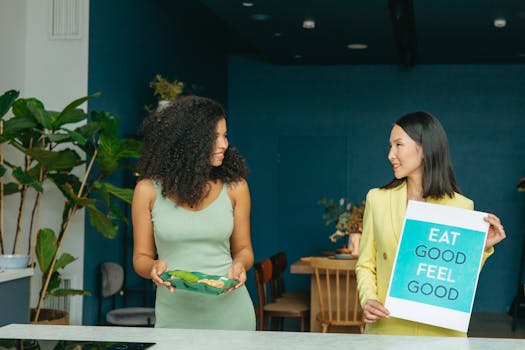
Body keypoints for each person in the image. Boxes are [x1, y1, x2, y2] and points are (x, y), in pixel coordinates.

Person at [355, 111, 506, 336]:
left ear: (425, 148)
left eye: (398, 145)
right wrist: (368, 299)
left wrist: (480, 248)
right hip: (388, 327)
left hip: (441, 332)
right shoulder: (377, 199)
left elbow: (458, 278)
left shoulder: (461, 206)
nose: (390, 155)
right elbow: (365, 264)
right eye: (390, 146)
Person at [132, 95, 256, 330]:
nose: (224, 145)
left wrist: (240, 264)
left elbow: (244, 249)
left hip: (232, 317)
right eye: (214, 137)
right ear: (188, 142)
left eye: (225, 135)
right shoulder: (147, 191)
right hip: (174, 318)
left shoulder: (236, 188)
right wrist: (152, 268)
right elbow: (141, 258)